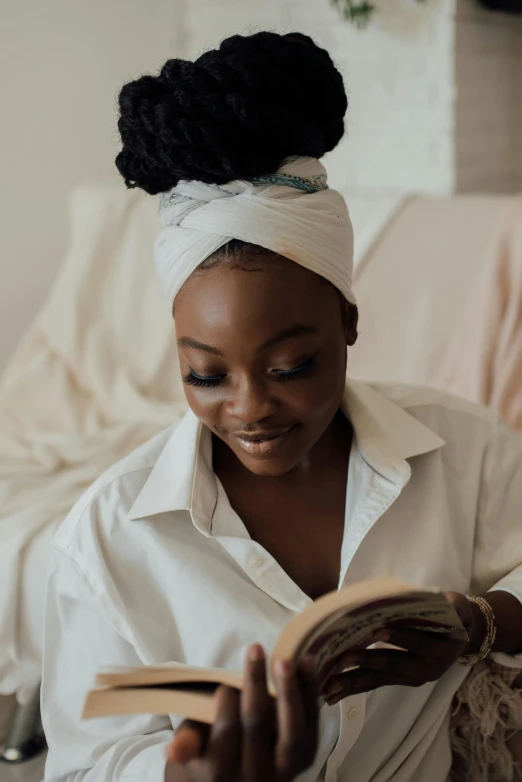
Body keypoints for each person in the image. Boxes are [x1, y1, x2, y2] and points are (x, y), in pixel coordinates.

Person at [41, 32, 522, 782]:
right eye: (205, 375)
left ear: (350, 325)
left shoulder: (464, 449)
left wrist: (480, 623)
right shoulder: (108, 542)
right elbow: (84, 761)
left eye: (292, 365)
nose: (251, 407)